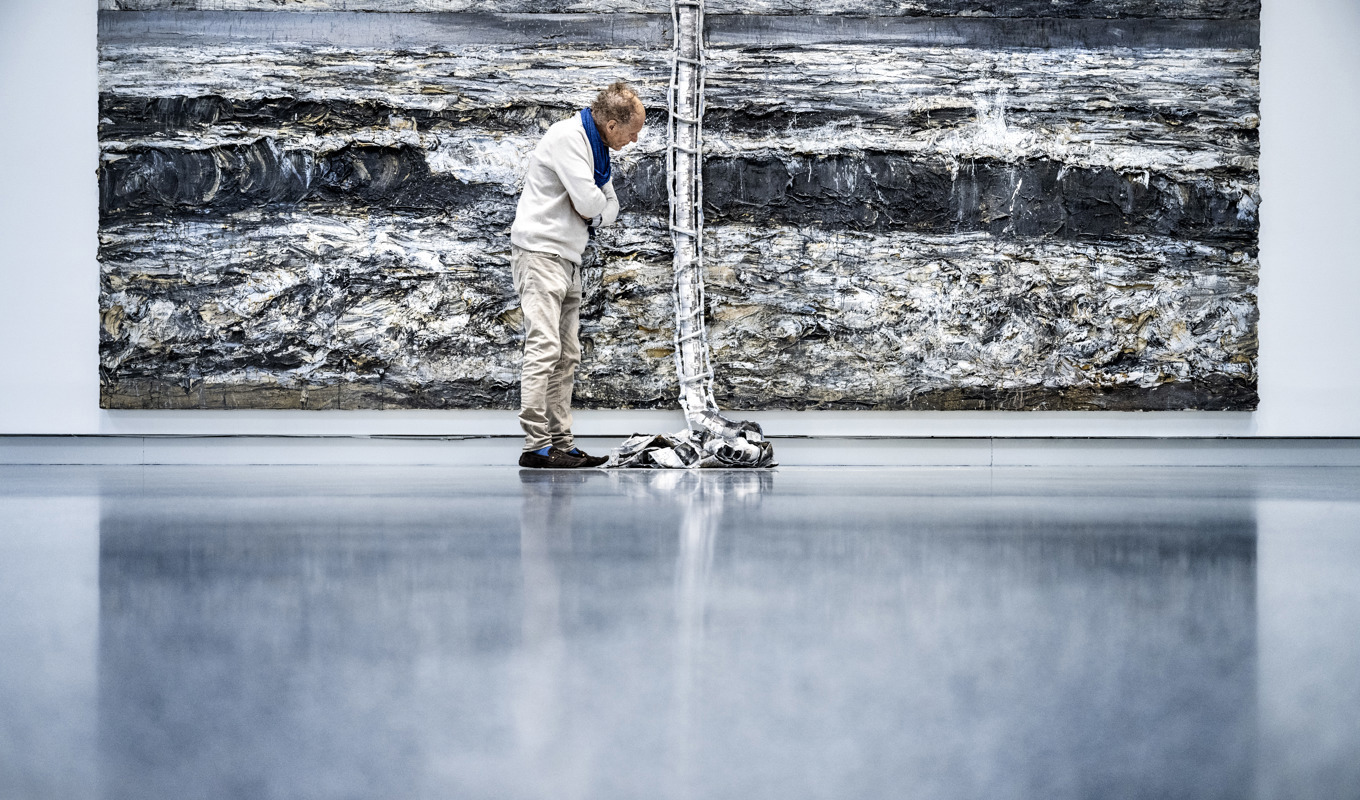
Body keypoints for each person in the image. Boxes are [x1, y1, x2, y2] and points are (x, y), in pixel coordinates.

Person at [509, 81, 645, 469]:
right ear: (613, 124)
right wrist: (594, 206)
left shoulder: (596, 151)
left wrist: (594, 208)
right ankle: (535, 446)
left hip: (567, 257)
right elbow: (590, 203)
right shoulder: (568, 137)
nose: (635, 140)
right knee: (544, 348)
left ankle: (561, 444)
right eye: (633, 132)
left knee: (567, 354)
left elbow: (608, 208)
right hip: (540, 253)